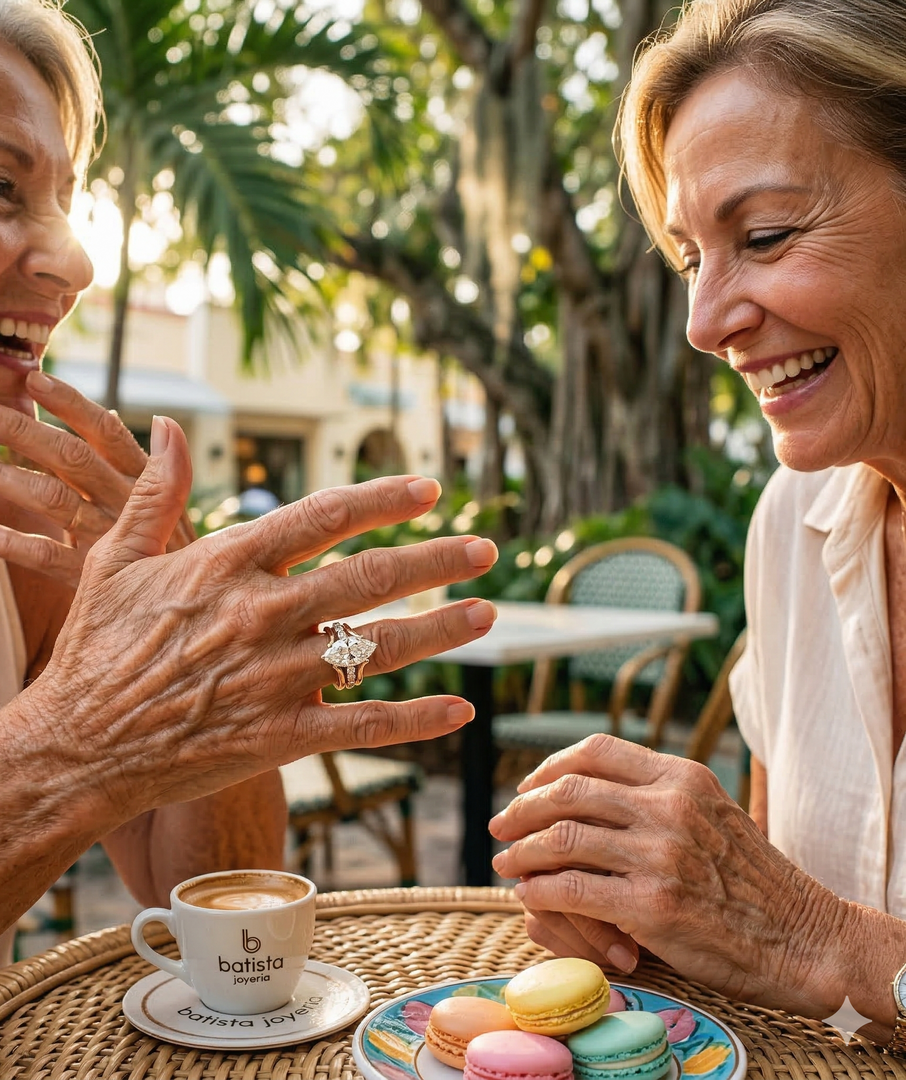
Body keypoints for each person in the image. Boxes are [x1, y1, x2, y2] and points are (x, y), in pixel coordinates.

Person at [0, 1, 501, 1075]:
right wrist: (74, 745)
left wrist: (191, 632)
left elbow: (222, 898)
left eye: (66, 202)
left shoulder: (3, 531)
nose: (74, 261)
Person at [489, 0, 906, 1048]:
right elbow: (788, 922)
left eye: (763, 236)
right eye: (689, 260)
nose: (705, 323)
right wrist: (678, 922)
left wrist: (824, 941)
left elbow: (821, 938)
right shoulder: (792, 521)